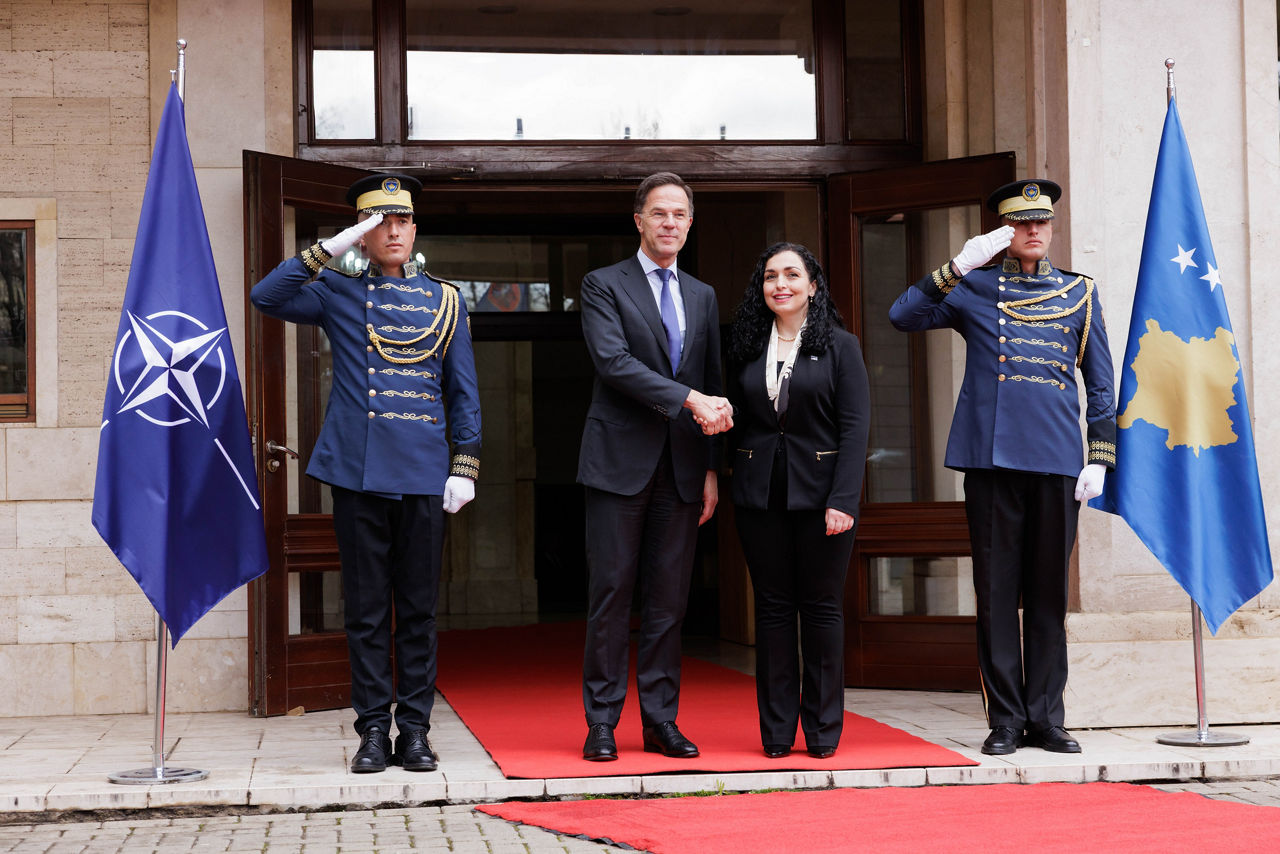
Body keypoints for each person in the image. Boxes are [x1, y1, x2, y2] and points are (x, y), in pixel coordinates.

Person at [250, 174, 482, 774]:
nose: (394, 231)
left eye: (402, 220)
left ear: (415, 227)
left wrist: (465, 463)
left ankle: (415, 731)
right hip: (358, 472)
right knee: (367, 611)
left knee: (420, 612)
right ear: (364, 231)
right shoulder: (339, 291)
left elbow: (463, 391)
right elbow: (267, 296)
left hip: (425, 473)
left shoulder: (447, 300)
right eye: (380, 222)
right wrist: (332, 246)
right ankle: (373, 730)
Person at [888, 179, 1116, 756]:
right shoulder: (976, 288)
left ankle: (1046, 716)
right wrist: (958, 264)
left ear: (1052, 226)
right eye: (1021, 223)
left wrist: (1100, 458)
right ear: (1005, 231)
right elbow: (903, 315)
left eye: (1041, 221)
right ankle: (1007, 719)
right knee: (995, 593)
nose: (1033, 231)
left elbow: (1102, 387)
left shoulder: (1080, 293)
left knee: (1047, 596)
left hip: (1059, 462)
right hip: (992, 460)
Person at [578, 172, 733, 761]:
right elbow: (613, 363)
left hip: (685, 469)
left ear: (690, 225)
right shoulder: (602, 284)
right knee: (611, 594)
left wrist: (712, 467)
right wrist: (688, 399)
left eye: (680, 215)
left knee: (669, 600)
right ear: (638, 220)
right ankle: (601, 722)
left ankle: (660, 721)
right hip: (618, 463)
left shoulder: (702, 294)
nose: (670, 223)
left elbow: (713, 380)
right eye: (659, 213)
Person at [726, 243, 870, 759]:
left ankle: (824, 730)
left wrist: (843, 499)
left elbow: (855, 430)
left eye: (791, 274)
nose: (780, 284)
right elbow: (733, 418)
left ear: (813, 286)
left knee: (822, 609)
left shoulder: (841, 347)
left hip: (823, 498)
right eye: (770, 276)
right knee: (771, 610)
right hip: (758, 495)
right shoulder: (744, 345)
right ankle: (777, 733)